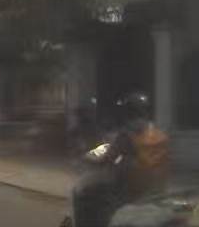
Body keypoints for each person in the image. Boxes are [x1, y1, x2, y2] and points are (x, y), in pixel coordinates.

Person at [69, 91, 170, 227]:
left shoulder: (127, 133)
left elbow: (110, 157)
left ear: (128, 112)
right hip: (156, 184)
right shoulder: (157, 131)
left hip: (130, 186)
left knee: (85, 192)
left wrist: (91, 159)